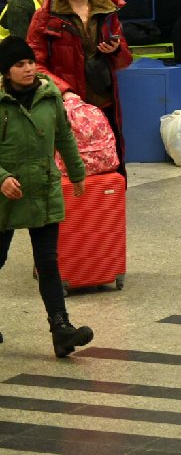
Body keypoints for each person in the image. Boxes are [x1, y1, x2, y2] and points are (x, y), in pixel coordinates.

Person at [0, 36, 95, 357]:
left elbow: (64, 135)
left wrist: (77, 172)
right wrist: (2, 178)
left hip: (42, 187)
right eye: (19, 64)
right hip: (5, 193)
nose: (28, 68)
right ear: (6, 71)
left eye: (30, 62)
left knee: (48, 262)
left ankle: (61, 329)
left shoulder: (49, 94)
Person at [27, 0, 133, 147]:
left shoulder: (107, 11)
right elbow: (34, 63)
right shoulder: (45, 16)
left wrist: (116, 50)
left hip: (104, 103)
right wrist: (64, 91)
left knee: (106, 157)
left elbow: (125, 61)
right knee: (70, 162)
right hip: (64, 105)